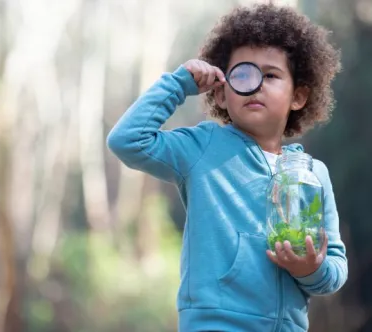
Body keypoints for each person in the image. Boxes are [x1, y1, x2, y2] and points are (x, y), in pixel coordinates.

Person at [107, 3, 348, 331]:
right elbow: (127, 140)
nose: (257, 84)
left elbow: (334, 266)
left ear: (299, 96)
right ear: (221, 94)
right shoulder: (203, 148)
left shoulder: (312, 173)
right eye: (243, 74)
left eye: (272, 75)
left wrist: (311, 270)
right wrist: (180, 85)